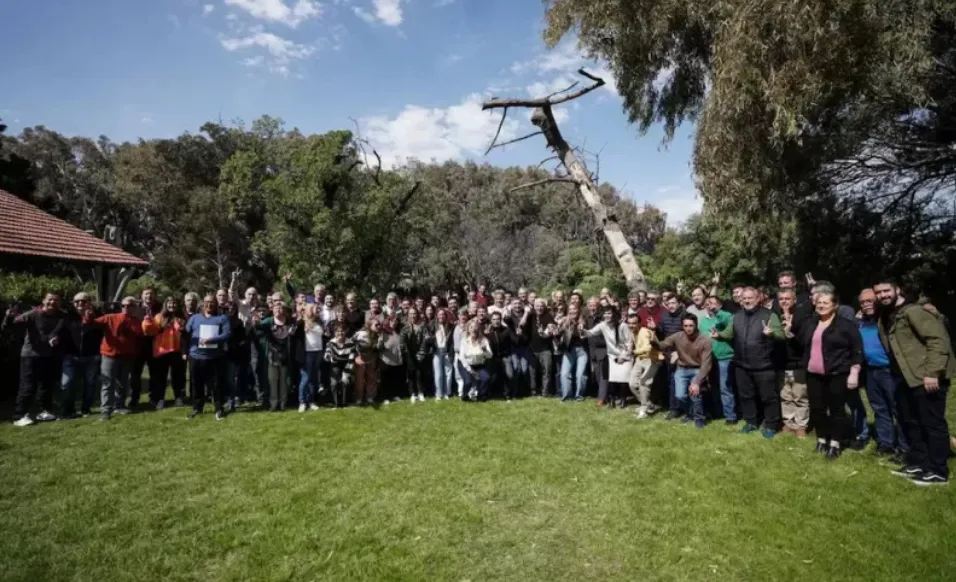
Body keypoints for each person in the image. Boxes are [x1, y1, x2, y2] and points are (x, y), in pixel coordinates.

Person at [875, 280, 955, 486]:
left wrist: (932, 373)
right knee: (911, 421)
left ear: (897, 290)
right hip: (904, 377)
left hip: (925, 376)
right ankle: (921, 462)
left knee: (932, 423)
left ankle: (938, 470)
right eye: (879, 292)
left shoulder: (915, 311)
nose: (883, 295)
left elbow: (938, 340)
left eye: (886, 290)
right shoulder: (886, 315)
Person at [788, 291, 862, 459]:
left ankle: (835, 443)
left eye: (825, 303)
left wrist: (854, 372)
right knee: (817, 409)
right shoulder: (811, 323)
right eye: (819, 302)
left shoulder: (846, 325)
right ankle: (821, 439)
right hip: (814, 374)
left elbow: (856, 350)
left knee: (836, 409)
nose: (821, 306)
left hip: (837, 373)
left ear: (835, 305)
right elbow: (801, 343)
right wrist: (789, 333)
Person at [711, 287, 786, 438]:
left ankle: (772, 425)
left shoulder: (769, 315)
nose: (747, 301)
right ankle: (751, 422)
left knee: (768, 397)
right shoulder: (736, 316)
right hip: (742, 365)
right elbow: (729, 333)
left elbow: (781, 335)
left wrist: (771, 334)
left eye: (750, 298)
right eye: (744, 298)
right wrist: (719, 335)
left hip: (764, 365)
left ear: (758, 299)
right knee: (746, 396)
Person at [3, 293, 68, 426]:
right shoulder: (32, 314)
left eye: (56, 300)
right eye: (50, 299)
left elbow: (59, 332)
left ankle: (45, 412)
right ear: (43, 301)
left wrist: (56, 339)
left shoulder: (61, 316)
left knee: (46, 385)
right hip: (30, 355)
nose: (52, 302)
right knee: (28, 386)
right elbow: (10, 326)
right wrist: (9, 317)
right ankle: (19, 416)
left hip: (48, 355)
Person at [858, 288, 908, 456]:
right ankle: (886, 443)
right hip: (871, 370)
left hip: (890, 370)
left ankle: (904, 446)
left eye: (869, 301)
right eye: (862, 302)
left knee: (898, 408)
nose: (866, 305)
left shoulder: (888, 318)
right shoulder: (862, 322)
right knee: (879, 408)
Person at [84, 296, 144, 420]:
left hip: (127, 356)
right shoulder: (110, 317)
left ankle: (119, 405)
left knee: (122, 383)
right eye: (123, 305)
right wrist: (88, 316)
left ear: (134, 307)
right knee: (108, 383)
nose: (126, 307)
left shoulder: (137, 321)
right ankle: (106, 409)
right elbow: (92, 323)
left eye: (129, 305)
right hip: (109, 355)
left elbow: (139, 335)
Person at [655, 313, 713, 428]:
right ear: (682, 326)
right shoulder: (678, 336)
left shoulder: (705, 340)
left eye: (691, 325)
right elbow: (662, 345)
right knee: (680, 396)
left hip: (697, 369)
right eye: (685, 326)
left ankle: (699, 420)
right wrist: (653, 338)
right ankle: (690, 414)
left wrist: (697, 382)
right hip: (682, 369)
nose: (688, 328)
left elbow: (706, 364)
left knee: (695, 394)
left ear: (696, 325)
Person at [183, 294, 231, 420]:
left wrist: (212, 339)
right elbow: (186, 333)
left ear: (216, 304)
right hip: (196, 356)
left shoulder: (222, 318)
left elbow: (227, 334)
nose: (209, 305)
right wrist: (181, 329)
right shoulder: (194, 318)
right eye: (207, 302)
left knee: (216, 385)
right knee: (196, 384)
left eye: (212, 302)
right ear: (203, 304)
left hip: (215, 357)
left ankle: (219, 409)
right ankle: (197, 408)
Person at [141, 297, 187, 409]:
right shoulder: (159, 317)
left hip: (177, 351)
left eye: (174, 303)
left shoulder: (181, 318)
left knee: (178, 376)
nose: (172, 306)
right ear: (165, 305)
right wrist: (147, 320)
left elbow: (185, 334)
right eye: (170, 303)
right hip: (162, 351)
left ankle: (178, 397)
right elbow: (149, 330)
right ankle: (160, 398)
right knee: (161, 377)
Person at [62, 292, 102, 417]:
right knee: (67, 383)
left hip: (92, 356)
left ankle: (86, 409)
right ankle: (69, 411)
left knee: (90, 384)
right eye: (77, 301)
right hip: (71, 355)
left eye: (83, 301)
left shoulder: (98, 316)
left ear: (89, 302)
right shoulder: (67, 316)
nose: (80, 303)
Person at [583, 307, 633, 408]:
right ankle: (612, 400)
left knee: (623, 380)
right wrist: (581, 329)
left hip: (624, 355)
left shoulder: (623, 326)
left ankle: (623, 400)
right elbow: (590, 333)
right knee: (611, 379)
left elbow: (629, 342)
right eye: (605, 314)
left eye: (609, 313)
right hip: (611, 355)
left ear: (614, 314)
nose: (607, 316)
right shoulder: (602, 325)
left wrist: (623, 356)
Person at [775, 288, 809, 436]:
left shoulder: (803, 317)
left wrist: (790, 332)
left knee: (800, 396)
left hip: (798, 363)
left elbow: (804, 342)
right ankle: (789, 423)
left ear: (795, 300)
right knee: (786, 396)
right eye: (781, 299)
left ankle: (801, 425)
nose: (784, 301)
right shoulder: (775, 316)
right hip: (782, 363)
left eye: (787, 299)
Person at [698, 295, 737, 424]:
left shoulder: (726, 316)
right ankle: (718, 412)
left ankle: (730, 416)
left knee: (725, 388)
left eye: (713, 303)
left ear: (720, 305)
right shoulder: (703, 321)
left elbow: (726, 321)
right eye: (708, 304)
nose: (710, 306)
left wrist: (717, 311)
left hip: (725, 357)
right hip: (710, 358)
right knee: (713, 387)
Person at [253, 300, 295, 412]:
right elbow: (258, 327)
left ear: (284, 310)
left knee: (283, 381)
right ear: (272, 310)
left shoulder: (289, 321)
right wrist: (255, 322)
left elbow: (296, 327)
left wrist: (293, 332)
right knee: (272, 381)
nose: (278, 310)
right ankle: (273, 404)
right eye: (276, 308)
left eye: (280, 308)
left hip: (285, 355)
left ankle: (283, 403)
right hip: (272, 355)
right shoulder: (269, 321)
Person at [129, 288, 162, 410]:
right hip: (138, 345)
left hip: (155, 345)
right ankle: (134, 398)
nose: (149, 296)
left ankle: (154, 398)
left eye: (151, 294)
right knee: (135, 373)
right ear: (141, 296)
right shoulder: (135, 309)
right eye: (146, 294)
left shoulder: (160, 309)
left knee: (155, 373)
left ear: (155, 296)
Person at [628, 312, 662, 418]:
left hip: (652, 359)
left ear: (639, 323)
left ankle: (643, 409)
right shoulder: (633, 332)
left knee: (644, 383)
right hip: (640, 359)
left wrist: (634, 352)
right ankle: (648, 404)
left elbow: (648, 348)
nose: (631, 325)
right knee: (632, 384)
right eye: (629, 323)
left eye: (634, 323)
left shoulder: (644, 332)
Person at [557, 304, 589, 401]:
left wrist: (582, 329)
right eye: (570, 309)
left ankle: (579, 396)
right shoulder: (564, 321)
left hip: (582, 351)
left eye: (574, 309)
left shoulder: (584, 321)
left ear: (578, 310)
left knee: (580, 374)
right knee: (564, 374)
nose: (572, 311)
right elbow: (558, 333)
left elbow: (587, 334)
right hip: (569, 351)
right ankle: (567, 396)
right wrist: (560, 325)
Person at [458, 319, 493, 401]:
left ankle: (481, 396)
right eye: (471, 327)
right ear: (468, 329)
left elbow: (490, 356)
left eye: (475, 327)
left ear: (478, 329)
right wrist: (470, 370)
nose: (474, 329)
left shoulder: (484, 340)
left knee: (486, 378)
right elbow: (462, 357)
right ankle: (464, 396)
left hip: (479, 365)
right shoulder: (464, 340)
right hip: (465, 364)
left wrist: (485, 350)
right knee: (468, 382)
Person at [296, 304, 323, 412]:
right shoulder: (302, 323)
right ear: (309, 310)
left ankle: (311, 401)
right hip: (307, 353)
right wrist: (300, 316)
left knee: (314, 378)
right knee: (306, 377)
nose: (317, 310)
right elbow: (295, 334)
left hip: (318, 351)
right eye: (315, 308)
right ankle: (302, 402)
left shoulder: (319, 321)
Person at [400, 307, 430, 403]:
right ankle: (412, 394)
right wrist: (406, 353)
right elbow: (402, 342)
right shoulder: (405, 327)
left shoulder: (423, 326)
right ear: (408, 315)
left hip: (420, 353)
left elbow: (426, 339)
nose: (413, 316)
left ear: (417, 314)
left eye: (414, 313)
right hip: (409, 353)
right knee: (411, 374)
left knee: (419, 374)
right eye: (411, 314)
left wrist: (421, 353)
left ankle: (420, 393)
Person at [527, 299, 555, 397]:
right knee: (532, 372)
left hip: (545, 349)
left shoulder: (548, 316)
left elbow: (550, 330)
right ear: (534, 307)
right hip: (532, 348)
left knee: (547, 370)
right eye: (537, 306)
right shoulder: (530, 316)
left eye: (542, 306)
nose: (540, 308)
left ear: (545, 307)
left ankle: (545, 391)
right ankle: (533, 391)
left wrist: (544, 333)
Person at [325, 324, 357, 408]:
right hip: (335, 364)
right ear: (335, 333)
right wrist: (328, 356)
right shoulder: (331, 343)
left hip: (347, 364)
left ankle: (344, 403)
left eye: (342, 331)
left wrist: (345, 374)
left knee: (345, 382)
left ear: (345, 332)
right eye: (338, 331)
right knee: (334, 383)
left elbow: (351, 360)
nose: (340, 333)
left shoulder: (351, 343)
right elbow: (327, 352)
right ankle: (336, 404)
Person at [353, 317, 383, 406]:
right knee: (360, 380)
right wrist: (356, 355)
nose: (378, 326)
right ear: (369, 325)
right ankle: (359, 399)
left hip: (371, 358)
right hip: (360, 359)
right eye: (376, 325)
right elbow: (351, 342)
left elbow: (377, 348)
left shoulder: (377, 335)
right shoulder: (360, 334)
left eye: (379, 324)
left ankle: (370, 398)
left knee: (371, 378)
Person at [429, 309, 454, 400]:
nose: (441, 316)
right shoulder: (432, 325)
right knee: (438, 374)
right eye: (439, 314)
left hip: (447, 351)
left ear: (446, 316)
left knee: (448, 373)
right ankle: (439, 394)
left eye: (443, 314)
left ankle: (447, 392)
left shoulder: (450, 326)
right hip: (437, 352)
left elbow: (451, 340)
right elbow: (429, 338)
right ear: (437, 316)